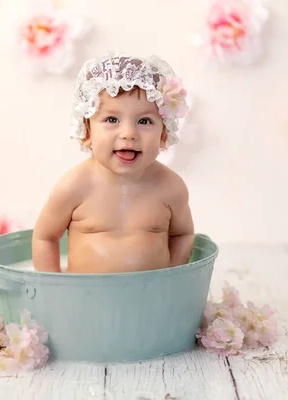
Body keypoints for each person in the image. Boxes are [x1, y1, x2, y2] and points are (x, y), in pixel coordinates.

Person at [32, 52, 194, 273]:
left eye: (144, 121)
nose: (128, 133)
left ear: (164, 134)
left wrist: (170, 277)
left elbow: (183, 235)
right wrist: (52, 288)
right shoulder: (75, 186)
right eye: (112, 119)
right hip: (84, 296)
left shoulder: (170, 187)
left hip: (151, 299)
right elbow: (45, 237)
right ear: (86, 132)